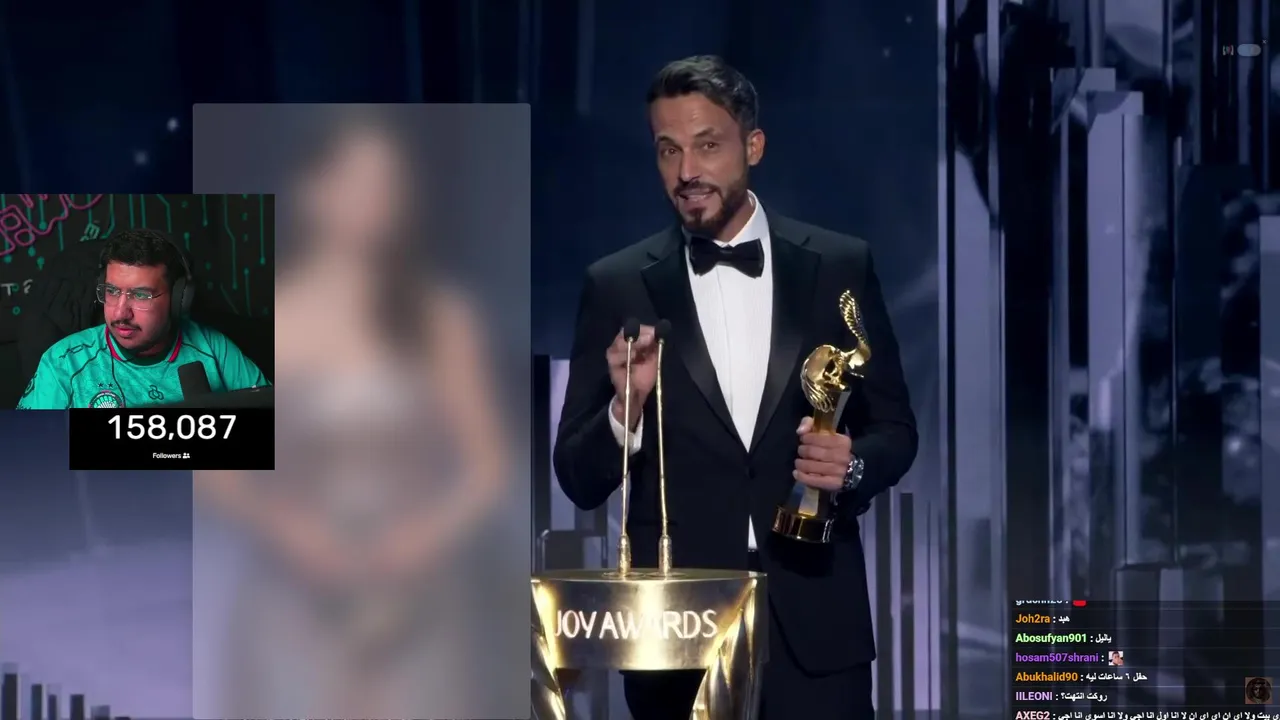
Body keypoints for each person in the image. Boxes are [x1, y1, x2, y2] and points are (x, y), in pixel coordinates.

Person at [553, 55, 918, 719]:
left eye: (707, 145)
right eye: (668, 149)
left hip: (816, 622)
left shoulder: (839, 264)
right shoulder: (617, 284)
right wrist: (625, 409)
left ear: (754, 146)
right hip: (676, 637)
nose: (686, 171)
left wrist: (852, 465)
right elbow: (578, 476)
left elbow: (895, 430)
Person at [192, 109, 512, 720]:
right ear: (310, 189)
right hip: (295, 584)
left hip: (421, 585)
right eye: (356, 181)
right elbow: (214, 474)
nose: (375, 201)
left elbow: (489, 466)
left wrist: (426, 537)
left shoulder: (442, 318)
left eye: (388, 184)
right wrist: (291, 530)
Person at [17, 228, 269, 409]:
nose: (120, 313)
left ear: (179, 300)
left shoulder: (215, 350)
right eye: (112, 292)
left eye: (141, 295)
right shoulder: (63, 363)